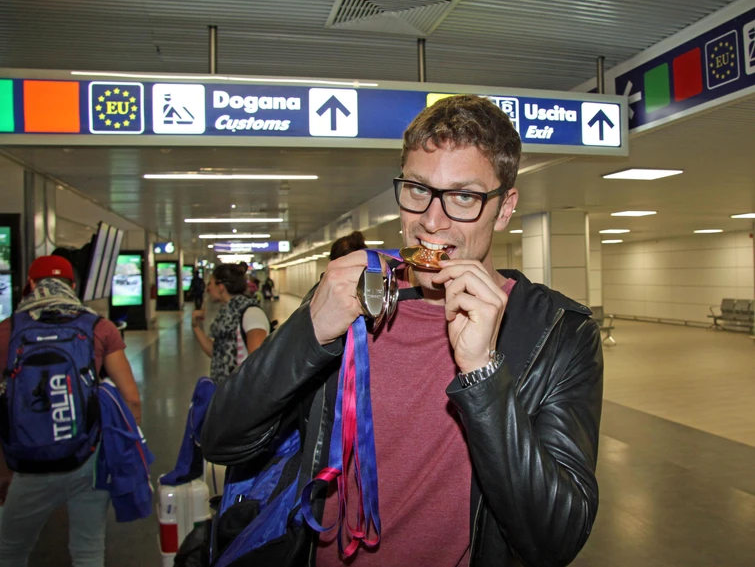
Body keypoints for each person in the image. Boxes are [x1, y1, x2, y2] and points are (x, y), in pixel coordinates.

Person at [201, 95, 603, 566]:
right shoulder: (347, 296)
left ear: (505, 206)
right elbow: (220, 440)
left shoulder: (559, 332)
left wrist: (482, 373)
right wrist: (310, 333)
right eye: (417, 189)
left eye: (464, 197)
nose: (431, 221)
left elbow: (555, 539)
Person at [0, 254, 142, 567]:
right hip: (87, 455)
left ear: (31, 285)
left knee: (10, 550)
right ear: (74, 286)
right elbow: (131, 399)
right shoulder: (99, 327)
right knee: (88, 550)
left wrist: (4, 468)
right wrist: (119, 452)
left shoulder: (8, 330)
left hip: (27, 462)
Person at [191, 262, 270, 384]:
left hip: (241, 393)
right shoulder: (225, 315)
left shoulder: (251, 313)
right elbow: (216, 352)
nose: (208, 289)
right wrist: (196, 327)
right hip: (223, 392)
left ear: (220, 286)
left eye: (210, 283)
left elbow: (257, 364)